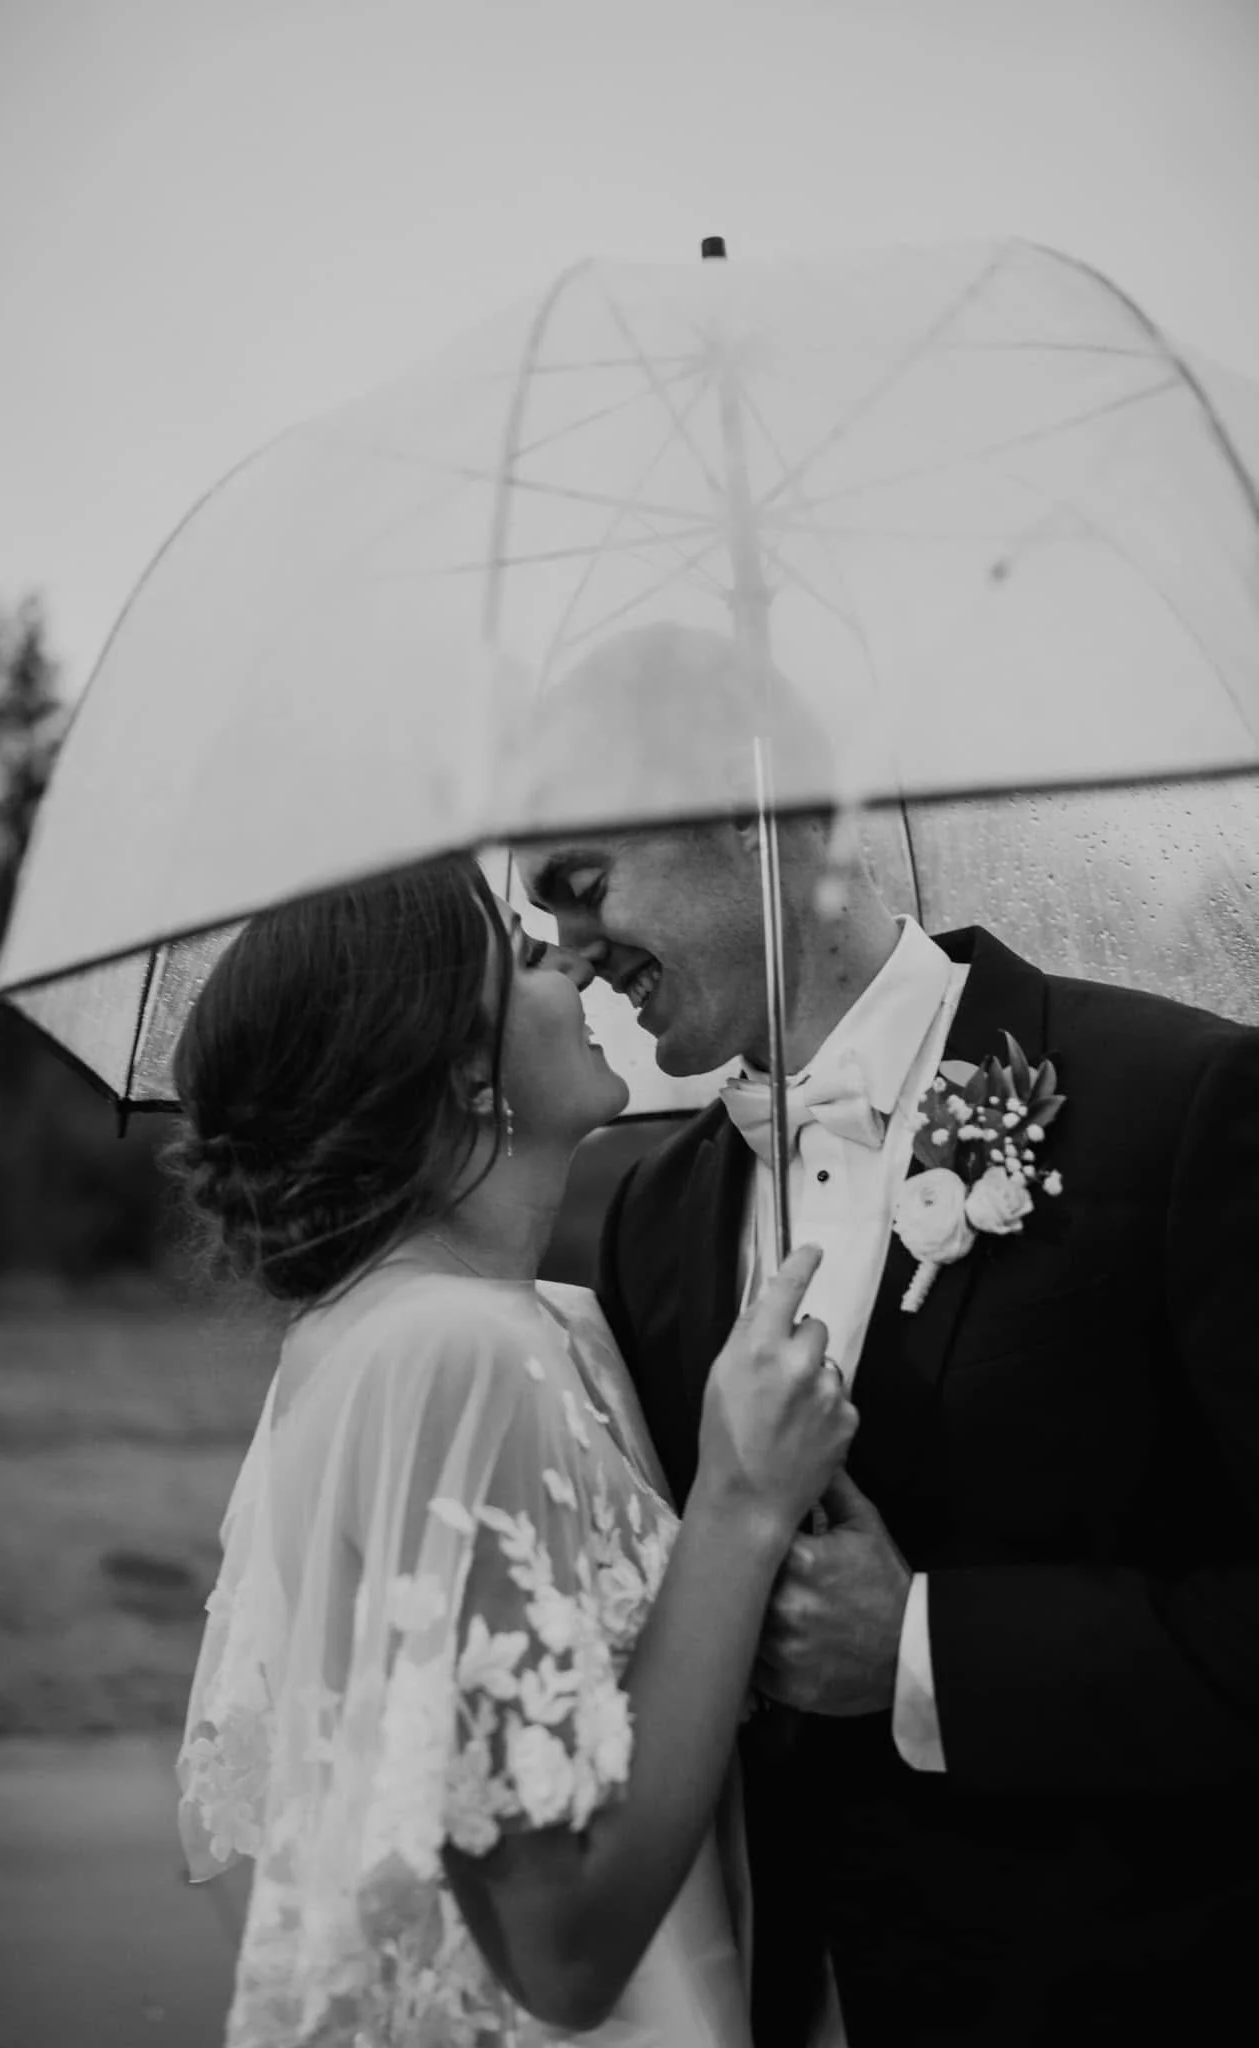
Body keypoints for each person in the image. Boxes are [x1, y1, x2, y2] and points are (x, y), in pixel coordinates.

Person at [517, 620, 1259, 2048]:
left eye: (580, 883)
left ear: (756, 815)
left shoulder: (1180, 1110)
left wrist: (928, 1648)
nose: (570, 953)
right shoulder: (648, 1222)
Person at [169, 855, 857, 2048]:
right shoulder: (448, 1352)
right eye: (528, 955)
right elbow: (562, 1947)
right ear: (462, 1069)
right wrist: (740, 1504)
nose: (576, 953)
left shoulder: (506, 1326)